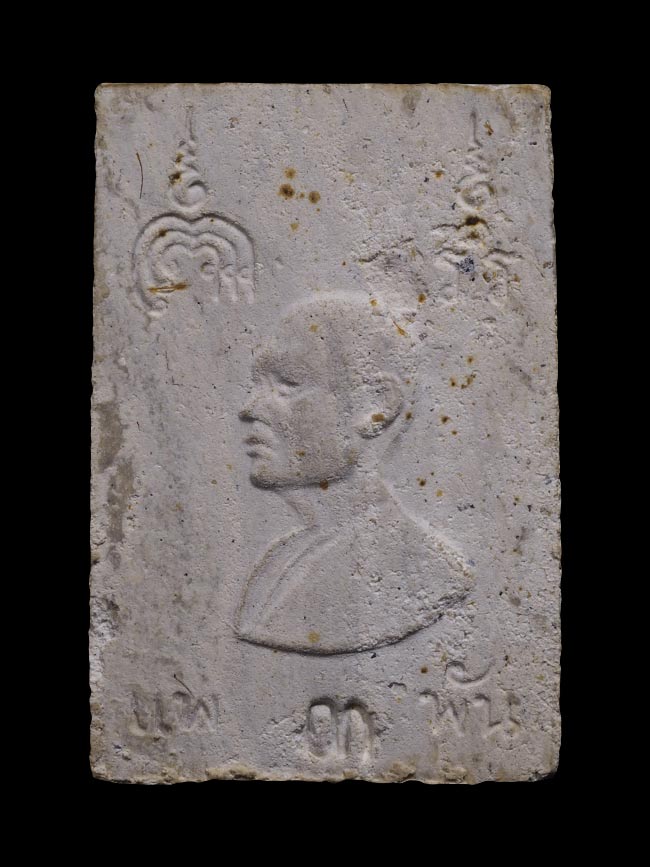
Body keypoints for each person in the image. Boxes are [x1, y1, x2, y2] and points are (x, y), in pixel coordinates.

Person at [235, 292, 473, 654]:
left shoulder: (417, 571)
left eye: (287, 385)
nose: (250, 407)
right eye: (258, 385)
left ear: (377, 406)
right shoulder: (282, 556)